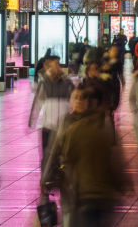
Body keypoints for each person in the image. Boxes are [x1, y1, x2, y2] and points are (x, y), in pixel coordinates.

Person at [42, 81, 129, 226]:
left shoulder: (98, 125)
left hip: (87, 192)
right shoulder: (67, 122)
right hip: (76, 189)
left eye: (83, 98)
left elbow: (114, 158)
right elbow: (53, 153)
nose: (78, 102)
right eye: (75, 98)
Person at [28, 55, 74, 169]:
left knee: (63, 152)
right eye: (55, 64)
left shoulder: (67, 81)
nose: (58, 67)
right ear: (47, 67)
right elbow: (37, 102)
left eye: (58, 64)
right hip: (48, 124)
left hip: (64, 124)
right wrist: (32, 121)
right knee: (47, 152)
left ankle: (60, 175)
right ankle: (46, 177)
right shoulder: (43, 83)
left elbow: (74, 98)